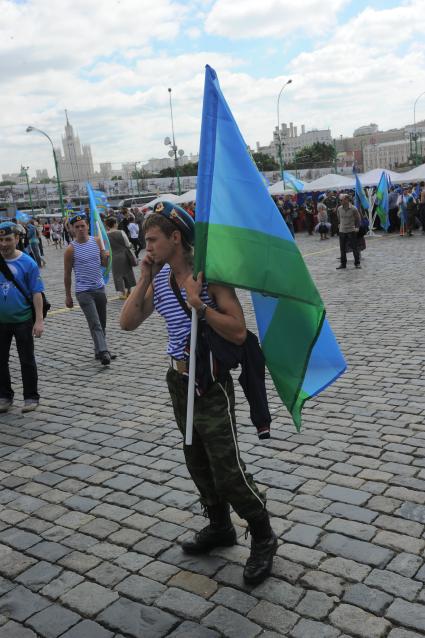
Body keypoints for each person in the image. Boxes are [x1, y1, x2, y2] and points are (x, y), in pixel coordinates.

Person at [120, 201, 277, 586]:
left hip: (209, 385)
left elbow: (238, 331)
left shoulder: (211, 278)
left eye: (153, 240)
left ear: (176, 238)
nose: (147, 246)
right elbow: (126, 323)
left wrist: (198, 306)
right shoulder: (158, 280)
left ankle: (263, 535)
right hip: (178, 382)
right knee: (196, 459)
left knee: (227, 467)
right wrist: (144, 277)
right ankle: (220, 526)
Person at [0, 222, 44, 413]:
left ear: (17, 239)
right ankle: (4, 396)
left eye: (8, 239)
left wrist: (39, 321)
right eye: (0, 240)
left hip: (23, 320)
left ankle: (31, 397)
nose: (3, 244)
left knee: (26, 359)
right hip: (1, 321)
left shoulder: (28, 263)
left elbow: (36, 293)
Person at [64, 213, 114, 365]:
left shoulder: (97, 241)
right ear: (72, 229)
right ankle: (105, 352)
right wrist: (68, 296)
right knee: (95, 323)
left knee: (102, 322)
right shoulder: (70, 250)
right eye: (77, 227)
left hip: (99, 288)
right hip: (84, 291)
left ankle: (99, 350)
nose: (80, 229)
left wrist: (106, 256)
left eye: (83, 226)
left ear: (87, 226)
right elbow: (67, 274)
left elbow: (104, 265)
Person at [105, 216, 136, 299]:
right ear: (115, 224)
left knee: (117, 275)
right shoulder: (121, 232)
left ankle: (122, 293)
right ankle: (129, 291)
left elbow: (106, 247)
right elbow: (127, 244)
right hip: (124, 255)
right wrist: (130, 246)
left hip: (114, 256)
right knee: (128, 273)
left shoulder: (106, 234)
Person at [336, 195, 361, 269]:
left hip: (351, 230)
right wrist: (339, 225)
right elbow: (339, 218)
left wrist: (357, 227)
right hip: (342, 230)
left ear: (347, 200)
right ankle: (343, 264)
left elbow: (358, 219)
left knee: (354, 248)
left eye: (342, 200)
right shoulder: (339, 209)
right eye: (340, 200)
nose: (340, 201)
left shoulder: (353, 209)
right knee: (342, 248)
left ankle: (357, 263)